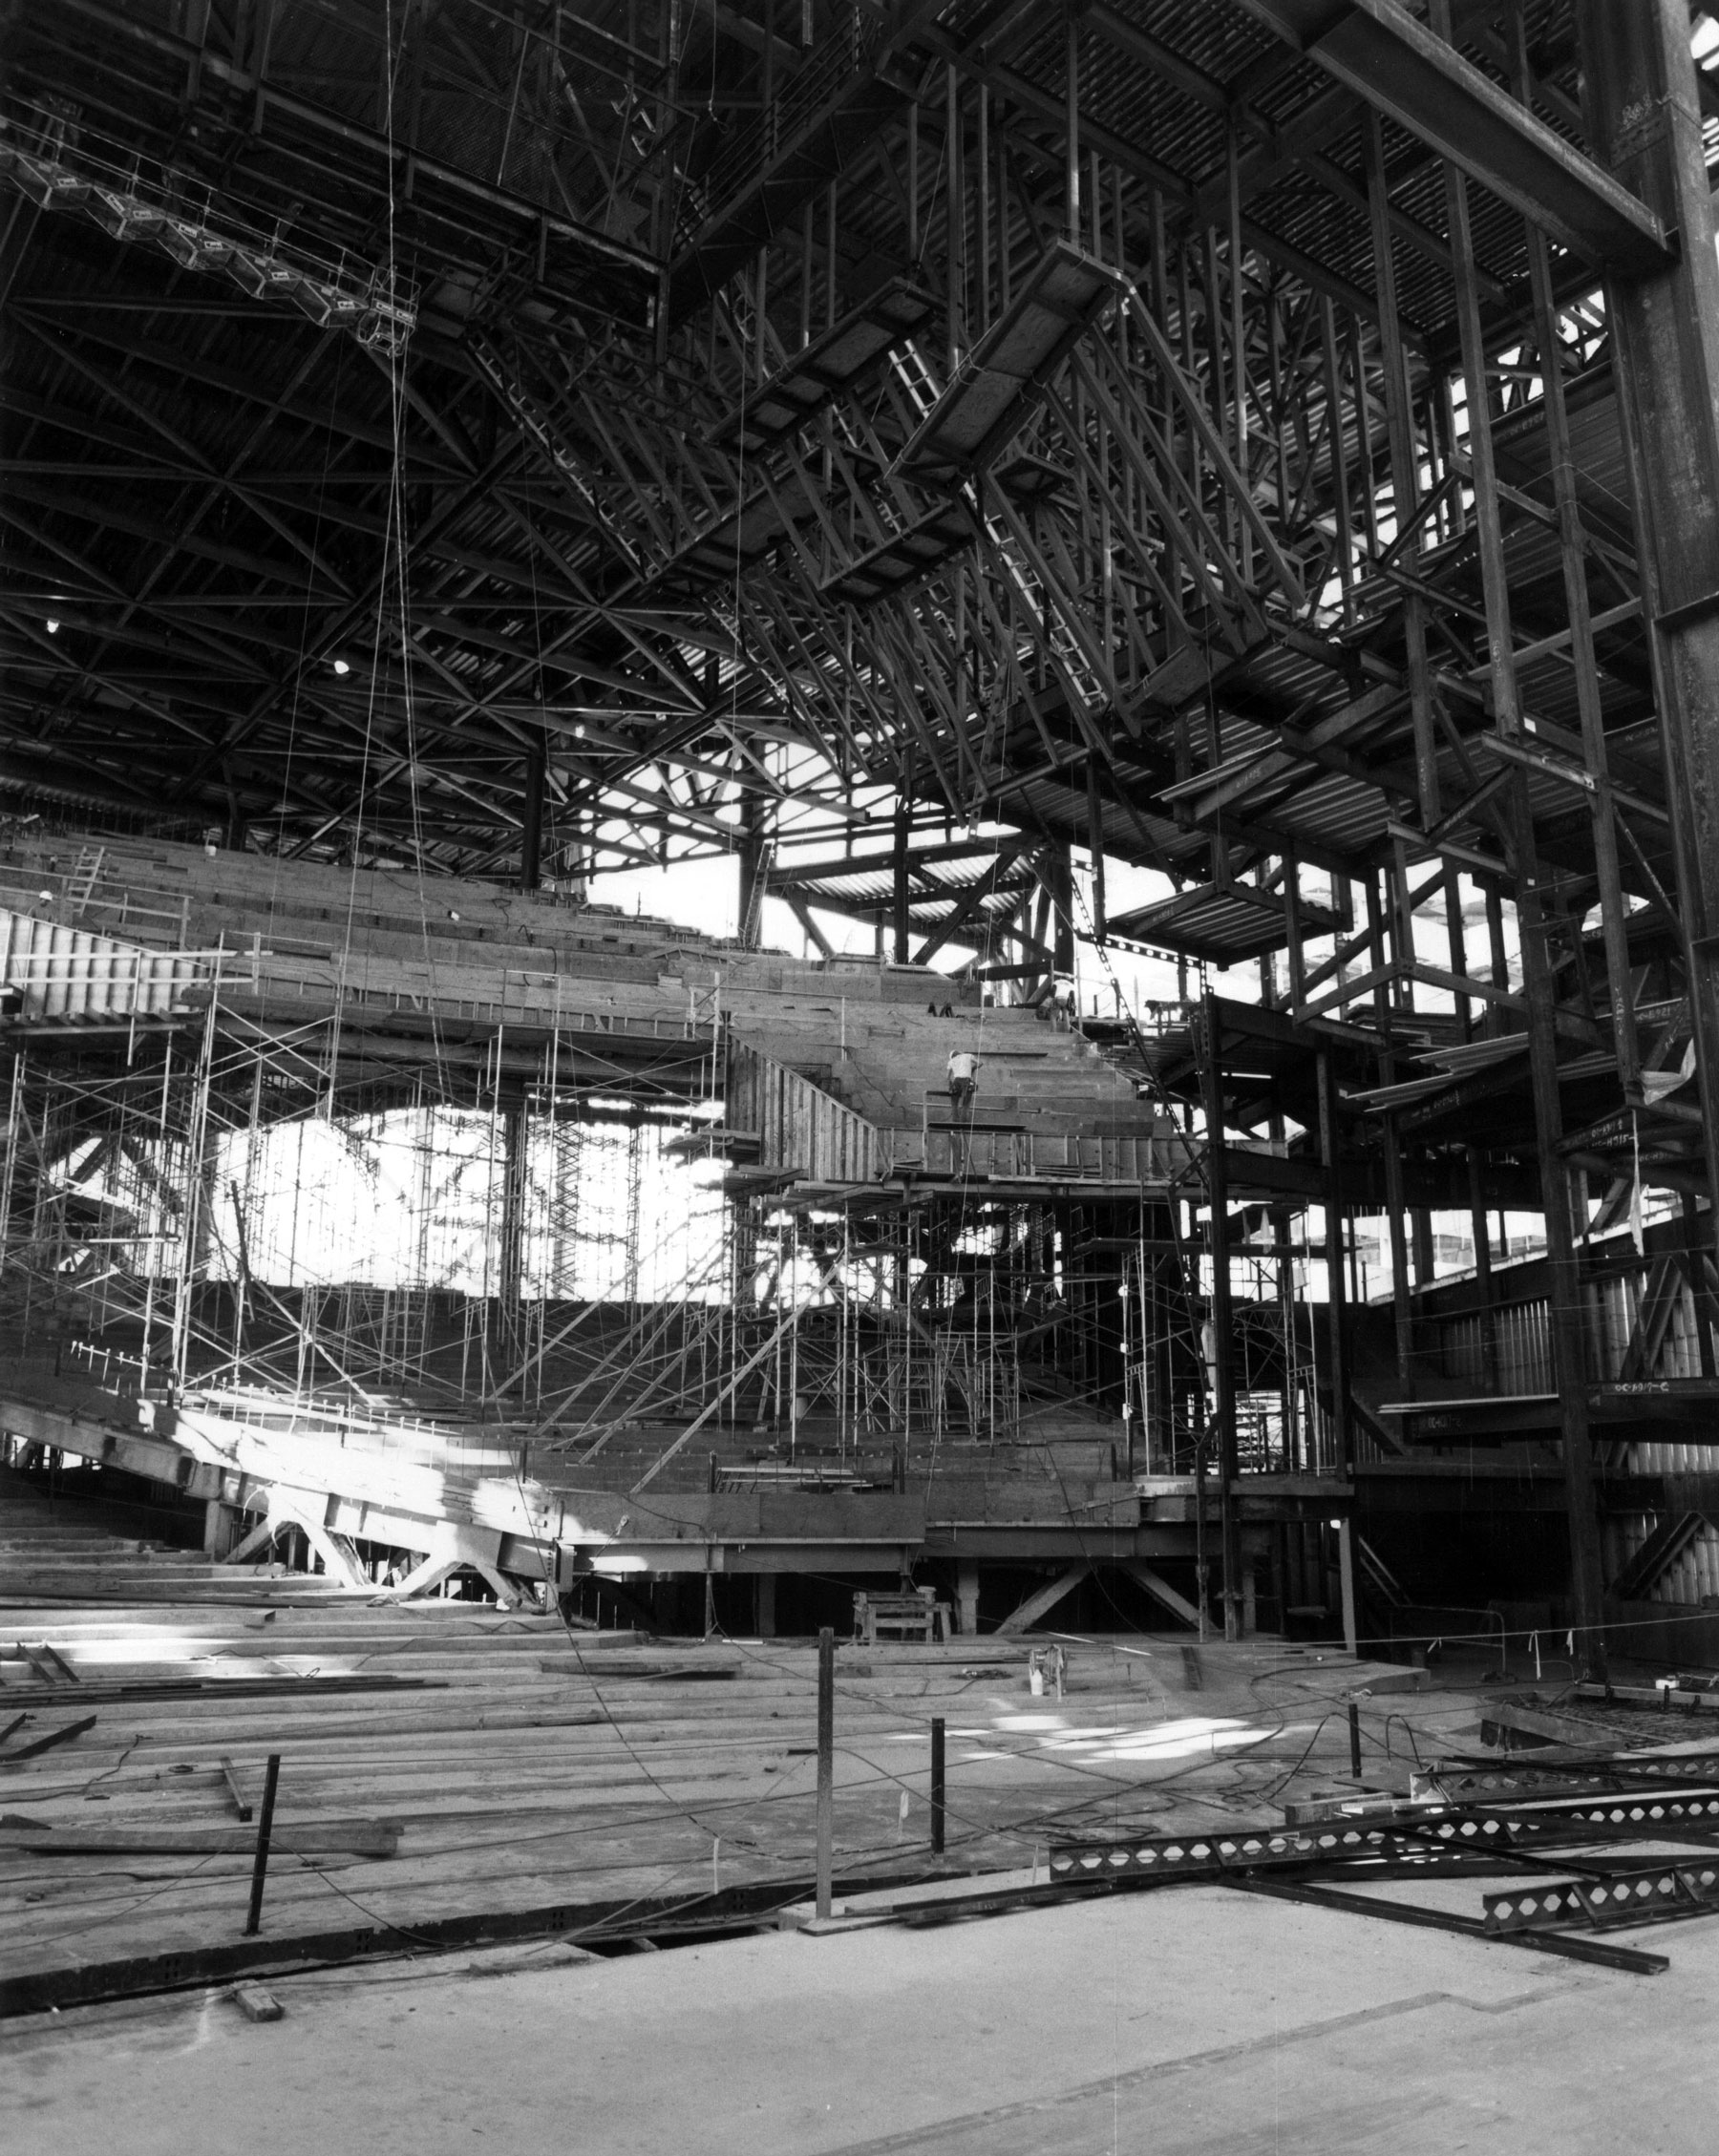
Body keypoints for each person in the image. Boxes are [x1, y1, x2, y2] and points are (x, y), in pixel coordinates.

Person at [947, 1046, 978, 1113]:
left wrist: (950, 1086)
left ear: (952, 1057)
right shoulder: (968, 1056)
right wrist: (972, 1068)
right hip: (966, 1081)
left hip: (956, 1082)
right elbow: (980, 1063)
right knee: (965, 1105)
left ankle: (955, 1122)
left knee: (954, 1104)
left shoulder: (951, 1061)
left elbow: (948, 1077)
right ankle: (963, 1122)